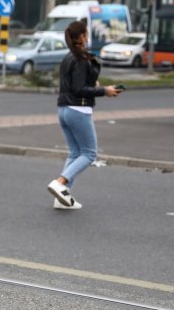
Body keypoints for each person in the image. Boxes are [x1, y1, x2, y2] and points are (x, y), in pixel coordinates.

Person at [47, 20, 122, 210]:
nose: (87, 36)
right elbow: (79, 89)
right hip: (78, 110)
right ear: (82, 36)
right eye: (86, 33)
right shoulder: (80, 59)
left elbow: (74, 84)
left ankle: (62, 197)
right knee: (89, 153)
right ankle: (60, 182)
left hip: (64, 110)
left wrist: (95, 85)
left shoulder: (68, 57)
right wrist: (104, 90)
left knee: (74, 153)